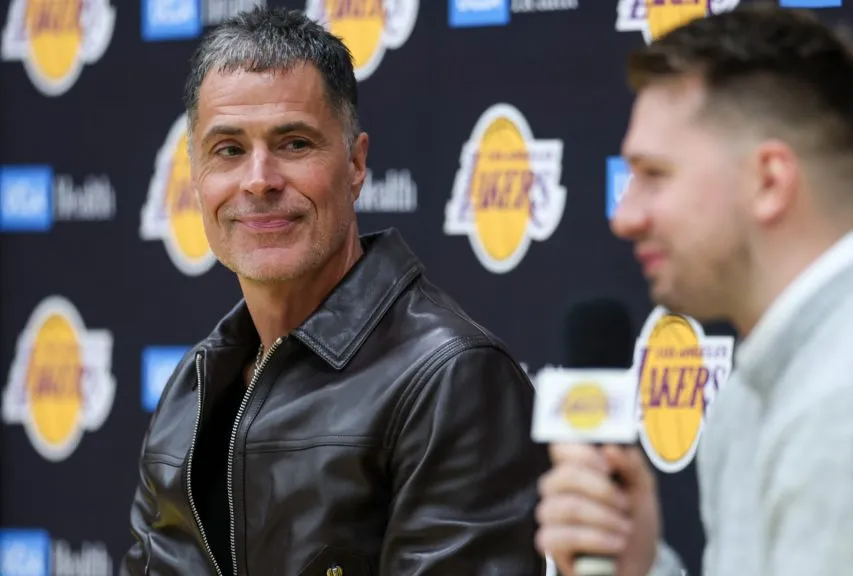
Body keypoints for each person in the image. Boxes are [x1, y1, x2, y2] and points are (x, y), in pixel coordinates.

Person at [534, 5, 853, 576]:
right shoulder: (761, 388)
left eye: (655, 175)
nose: (624, 216)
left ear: (769, 182)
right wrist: (639, 569)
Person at [120, 7, 549, 575]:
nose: (258, 179)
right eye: (228, 150)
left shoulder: (453, 377)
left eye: (294, 144)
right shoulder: (193, 384)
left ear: (355, 163)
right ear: (195, 175)